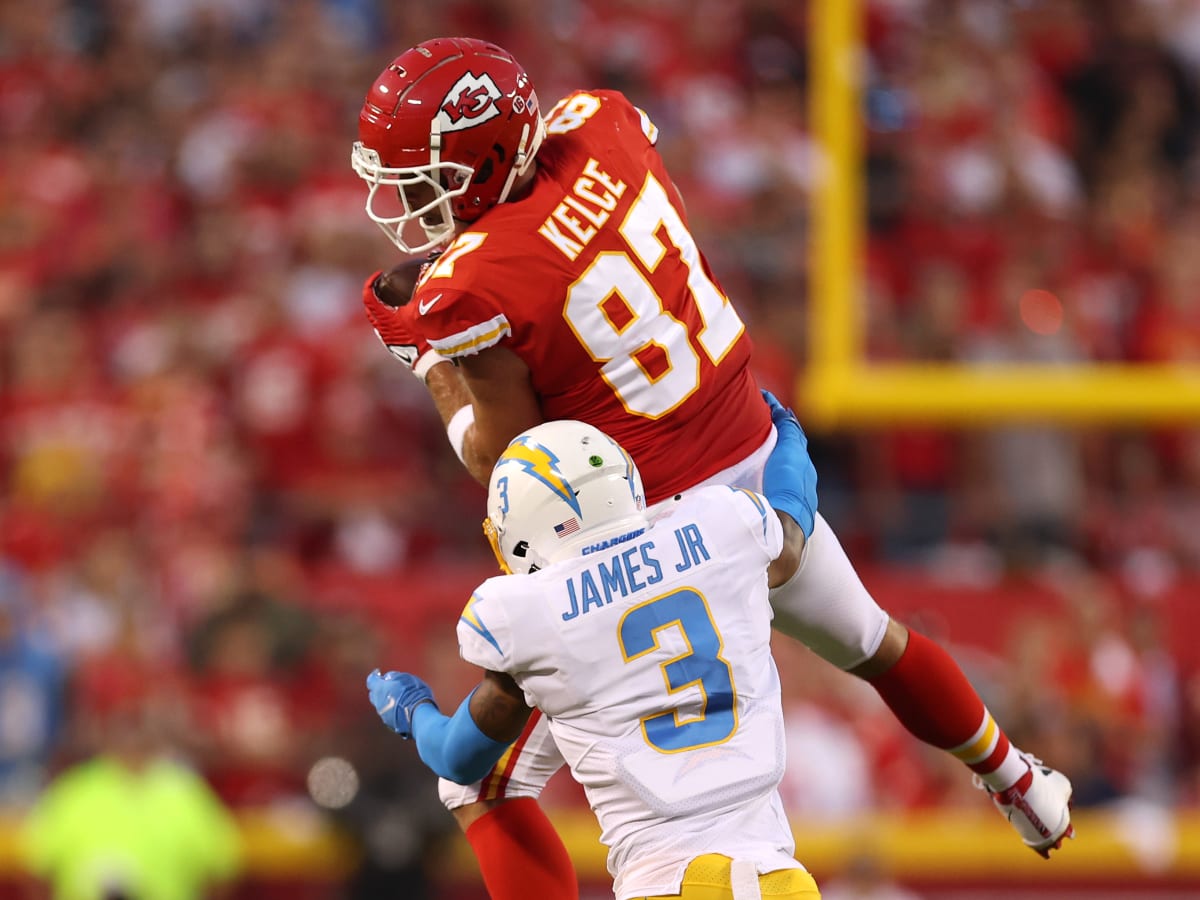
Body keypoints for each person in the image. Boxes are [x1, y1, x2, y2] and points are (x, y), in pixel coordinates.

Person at [350, 36, 1074, 900]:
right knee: (874, 641)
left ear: (480, 163)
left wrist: (427, 363)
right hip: (749, 461)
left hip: (637, 525)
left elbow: (506, 460)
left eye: (420, 180)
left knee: (477, 781)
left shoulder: (472, 284)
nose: (403, 203)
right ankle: (1021, 783)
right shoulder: (600, 124)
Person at [368, 411, 822, 900]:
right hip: (782, 881)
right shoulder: (721, 524)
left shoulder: (526, 613)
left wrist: (413, 711)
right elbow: (790, 529)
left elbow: (458, 760)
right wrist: (788, 431)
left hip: (668, 883)